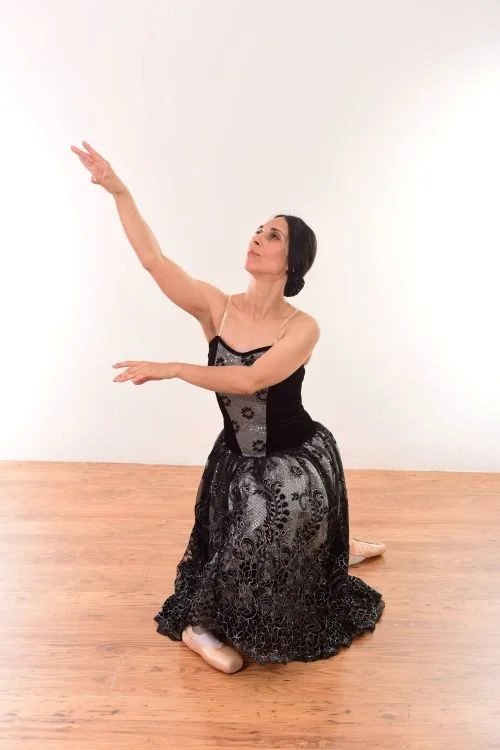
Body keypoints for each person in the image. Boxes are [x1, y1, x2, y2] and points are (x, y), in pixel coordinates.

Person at [72, 141, 386, 674]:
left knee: (275, 550)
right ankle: (203, 625)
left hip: (296, 460)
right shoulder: (217, 307)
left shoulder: (302, 327)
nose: (257, 238)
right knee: (238, 564)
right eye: (258, 230)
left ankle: (330, 544)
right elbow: (154, 261)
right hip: (237, 462)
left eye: (273, 235)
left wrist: (174, 367)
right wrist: (118, 191)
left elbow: (251, 379)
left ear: (292, 260)